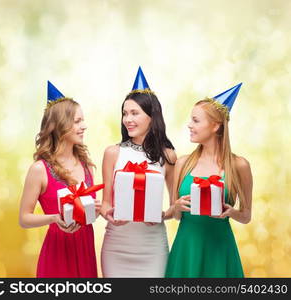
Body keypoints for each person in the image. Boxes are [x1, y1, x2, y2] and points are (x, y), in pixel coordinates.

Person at [165, 83, 252, 278]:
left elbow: (246, 216)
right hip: (187, 248)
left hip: (220, 249)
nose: (189, 125)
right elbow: (177, 215)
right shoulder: (182, 163)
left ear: (216, 126)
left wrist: (231, 212)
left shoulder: (239, 166)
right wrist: (177, 207)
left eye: (195, 120)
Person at [100, 67, 177, 277]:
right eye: (125, 113)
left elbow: (175, 210)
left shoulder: (168, 156)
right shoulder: (112, 153)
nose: (127, 119)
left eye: (135, 113)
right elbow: (106, 202)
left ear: (152, 116)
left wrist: (162, 215)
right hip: (116, 246)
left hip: (152, 247)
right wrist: (108, 213)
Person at [19, 81, 100, 277]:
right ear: (59, 125)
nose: (84, 126)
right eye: (78, 121)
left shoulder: (87, 165)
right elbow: (24, 218)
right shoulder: (39, 169)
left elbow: (89, 216)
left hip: (85, 248)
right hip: (57, 252)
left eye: (83, 120)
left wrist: (95, 211)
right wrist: (55, 218)